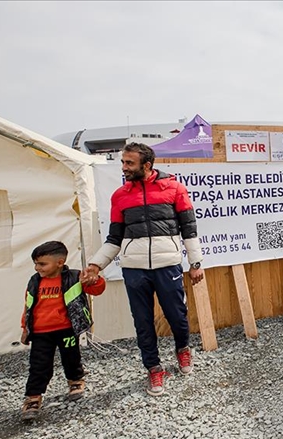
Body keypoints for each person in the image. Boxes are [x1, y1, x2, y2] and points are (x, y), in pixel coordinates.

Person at [83, 142, 204, 397]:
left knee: (178, 316)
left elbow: (189, 230)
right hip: (134, 270)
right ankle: (153, 368)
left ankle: (183, 349)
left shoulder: (175, 189)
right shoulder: (120, 196)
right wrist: (95, 265)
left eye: (129, 163)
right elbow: (114, 238)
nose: (124, 167)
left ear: (146, 165)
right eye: (123, 162)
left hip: (167, 265)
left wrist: (195, 264)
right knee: (142, 322)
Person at [19, 241, 106, 421]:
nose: (37, 268)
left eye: (42, 264)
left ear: (59, 262)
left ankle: (76, 380)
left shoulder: (74, 277)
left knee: (71, 357)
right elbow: (28, 306)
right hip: (41, 332)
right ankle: (33, 397)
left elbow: (97, 290)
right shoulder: (35, 281)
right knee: (38, 365)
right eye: (35, 263)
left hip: (67, 329)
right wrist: (25, 328)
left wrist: (95, 280)